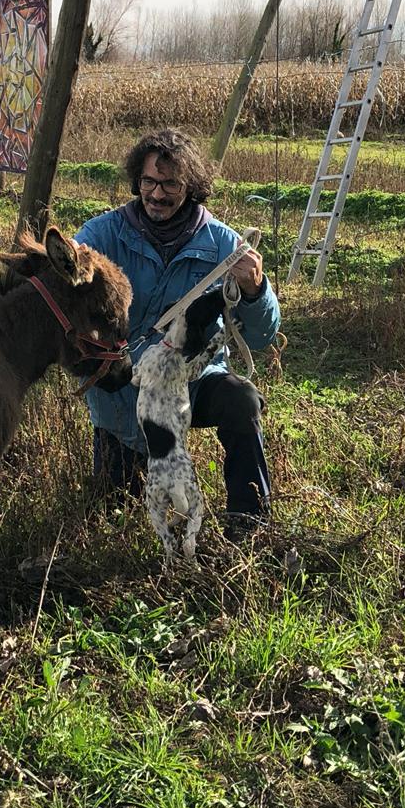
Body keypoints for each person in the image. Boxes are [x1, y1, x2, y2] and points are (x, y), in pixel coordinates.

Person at [74, 127, 281, 529]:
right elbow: (66, 288)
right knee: (115, 510)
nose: (157, 194)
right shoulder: (101, 235)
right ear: (137, 180)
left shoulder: (224, 245)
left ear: (192, 185)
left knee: (242, 401)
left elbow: (260, 336)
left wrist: (256, 289)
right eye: (149, 181)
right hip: (124, 396)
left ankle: (249, 522)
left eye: (170, 183)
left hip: (193, 382)